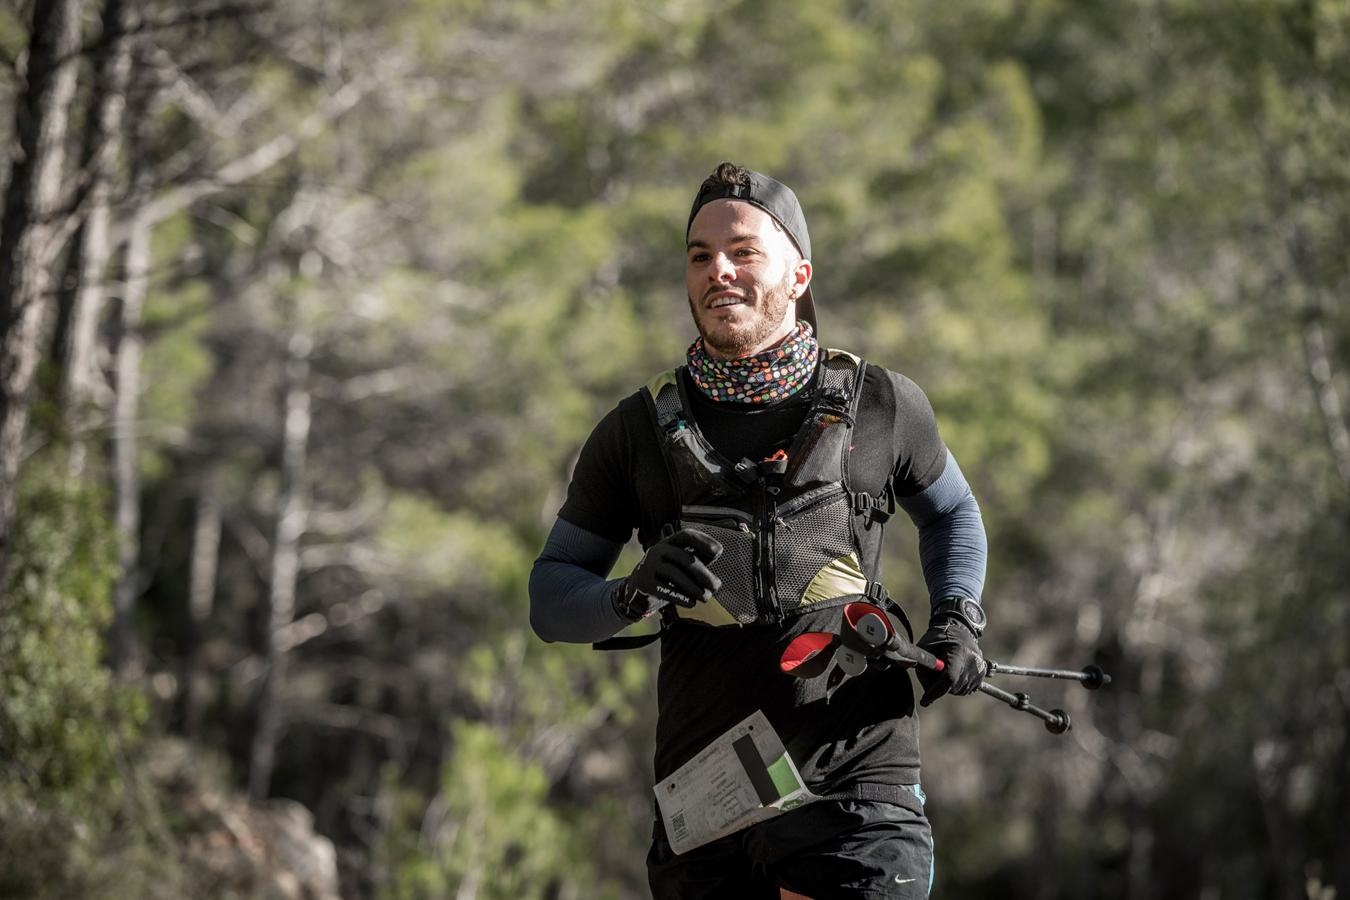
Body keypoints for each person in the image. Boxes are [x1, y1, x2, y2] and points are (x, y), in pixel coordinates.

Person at [529, 162, 989, 899]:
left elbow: (954, 514)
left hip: (855, 772)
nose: (719, 271)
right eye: (700, 255)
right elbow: (550, 596)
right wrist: (629, 595)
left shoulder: (882, 406)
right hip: (707, 792)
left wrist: (958, 620)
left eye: (744, 251)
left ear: (798, 274)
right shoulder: (637, 432)